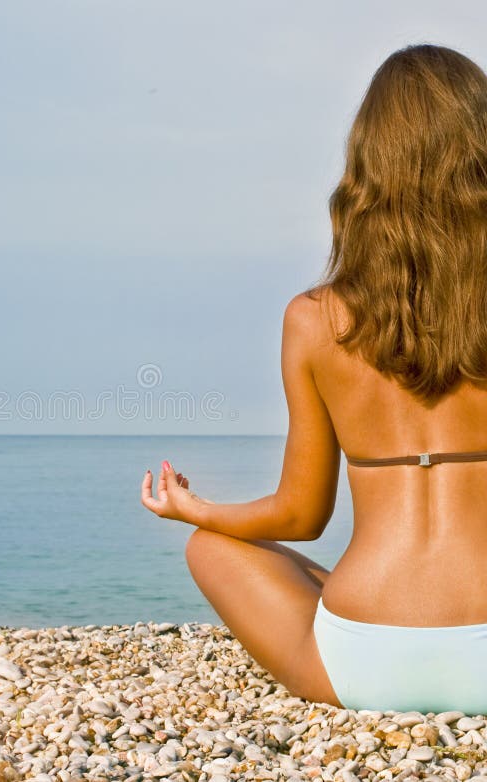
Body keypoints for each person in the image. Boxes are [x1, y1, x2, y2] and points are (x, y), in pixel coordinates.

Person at [141, 42, 487, 715]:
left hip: (360, 659)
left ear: (366, 168)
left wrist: (198, 509)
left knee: (212, 548)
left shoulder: (313, 320)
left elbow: (301, 515)